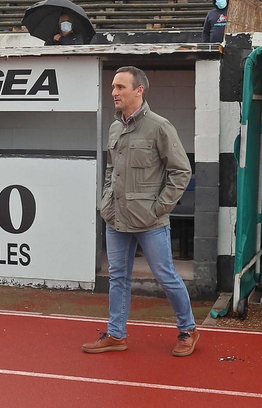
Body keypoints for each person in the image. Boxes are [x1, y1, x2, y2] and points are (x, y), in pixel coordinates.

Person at [83, 67, 197, 357]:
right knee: (118, 277)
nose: (114, 92)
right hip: (116, 218)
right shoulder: (115, 128)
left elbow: (181, 172)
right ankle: (116, 334)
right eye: (113, 87)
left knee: (165, 275)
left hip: (150, 221)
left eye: (120, 87)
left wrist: (159, 208)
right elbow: (111, 169)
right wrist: (107, 200)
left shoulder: (159, 126)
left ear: (139, 90)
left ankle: (188, 330)